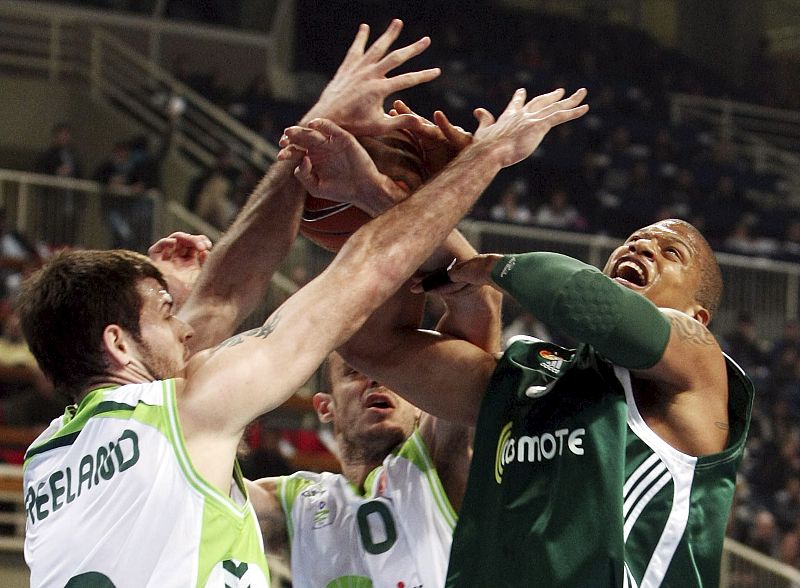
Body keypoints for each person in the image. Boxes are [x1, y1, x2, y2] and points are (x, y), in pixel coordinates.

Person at [18, 18, 589, 587]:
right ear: (118, 344)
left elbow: (219, 300)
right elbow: (365, 268)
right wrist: (485, 157)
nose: (187, 331)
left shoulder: (50, 459)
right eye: (166, 316)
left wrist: (310, 136)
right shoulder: (187, 417)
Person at [332, 216, 753, 587]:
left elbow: (590, 303)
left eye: (671, 252)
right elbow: (369, 345)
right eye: (633, 241)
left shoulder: (699, 362)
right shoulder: (526, 374)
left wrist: (493, 268)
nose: (641, 247)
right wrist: (399, 205)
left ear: (697, 317)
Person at [248, 234, 502, 588]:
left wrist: (410, 216)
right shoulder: (296, 504)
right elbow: (200, 481)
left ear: (422, 403)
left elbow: (481, 303)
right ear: (325, 407)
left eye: (394, 376)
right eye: (354, 372)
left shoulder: (436, 461)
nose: (375, 380)